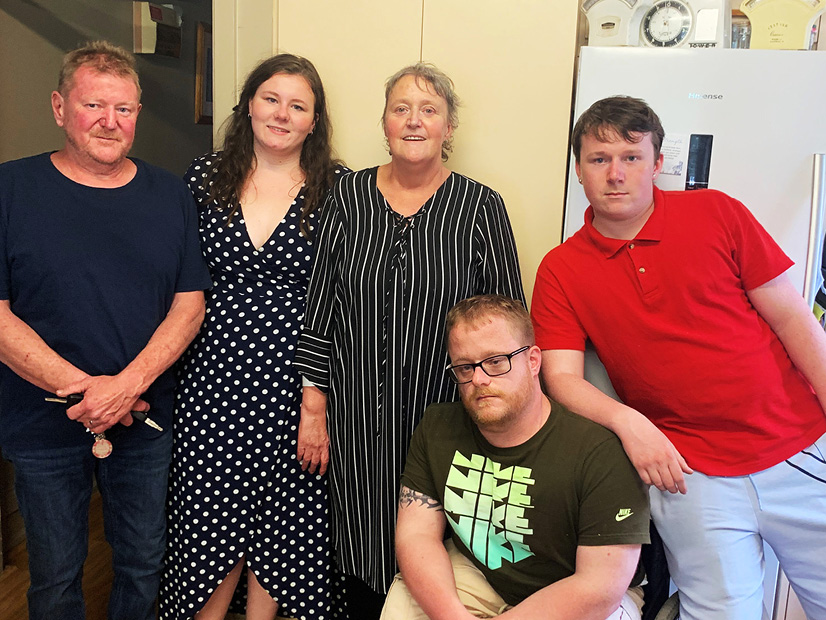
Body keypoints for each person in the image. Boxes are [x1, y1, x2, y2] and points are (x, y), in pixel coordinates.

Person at [531, 96, 826, 620]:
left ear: (657, 162)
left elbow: (795, 322)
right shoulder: (560, 268)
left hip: (799, 448)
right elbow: (561, 379)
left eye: (631, 156)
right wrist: (631, 425)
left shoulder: (717, 212)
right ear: (578, 169)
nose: (616, 173)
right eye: (599, 159)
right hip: (688, 473)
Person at [294, 63, 525, 617]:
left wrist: (502, 416)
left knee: (444, 548)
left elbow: (505, 324)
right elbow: (321, 307)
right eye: (401, 109)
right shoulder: (345, 197)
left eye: (429, 110)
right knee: (357, 544)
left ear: (450, 128)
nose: (414, 121)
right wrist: (314, 405)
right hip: (356, 418)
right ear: (384, 123)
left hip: (447, 414)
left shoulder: (481, 207)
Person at [0, 41, 210, 620]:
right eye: (94, 105)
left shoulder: (171, 195)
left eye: (125, 109)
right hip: (43, 420)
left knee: (142, 564)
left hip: (145, 416)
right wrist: (86, 393)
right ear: (59, 107)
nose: (110, 122)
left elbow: (188, 305)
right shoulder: (10, 190)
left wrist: (125, 387)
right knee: (55, 576)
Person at [159, 54, 347, 620]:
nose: (282, 114)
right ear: (247, 105)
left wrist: (316, 401)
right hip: (209, 376)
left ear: (314, 121)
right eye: (271, 98)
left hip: (294, 383)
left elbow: (338, 300)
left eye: (298, 105)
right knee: (207, 517)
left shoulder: (338, 188)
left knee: (281, 521)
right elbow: (170, 275)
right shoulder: (202, 176)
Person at [381, 294, 649, 620]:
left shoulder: (600, 453)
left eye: (496, 361)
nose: (479, 379)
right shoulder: (437, 427)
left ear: (533, 361)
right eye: (465, 367)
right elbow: (416, 536)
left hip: (576, 590)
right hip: (481, 570)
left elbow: (598, 589)